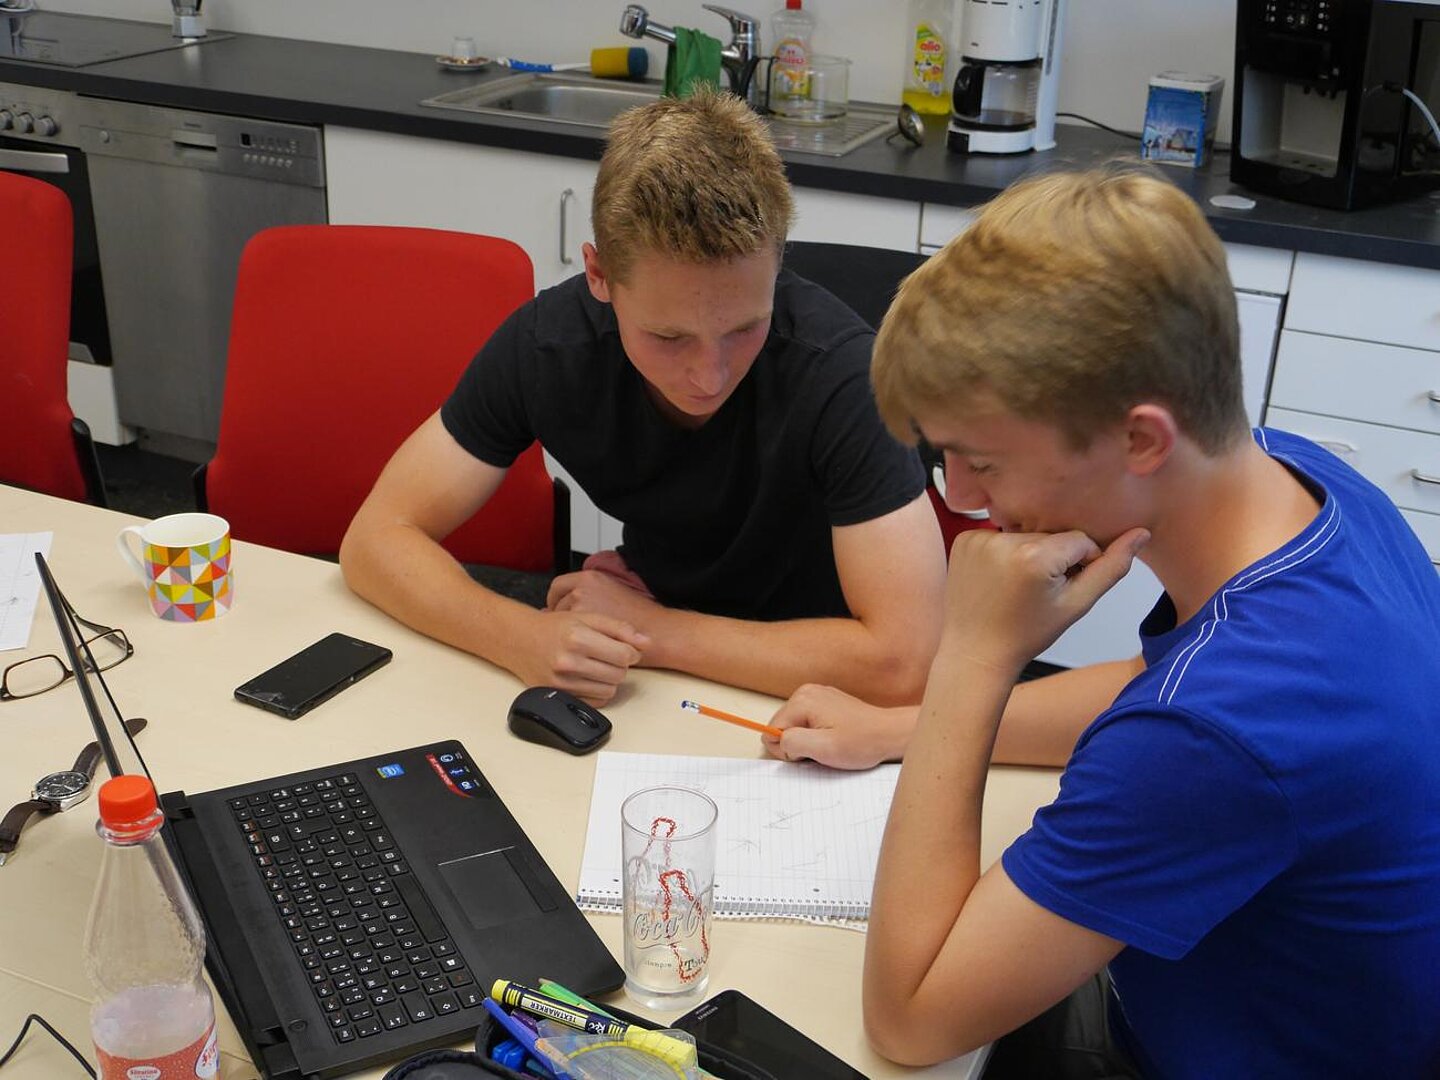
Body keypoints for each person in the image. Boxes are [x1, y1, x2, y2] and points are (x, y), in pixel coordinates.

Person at [765, 167, 1440, 1077]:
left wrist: (973, 656)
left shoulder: (1218, 734)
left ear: (1141, 439)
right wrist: (897, 728)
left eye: (982, 462)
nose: (957, 497)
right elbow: (1157, 690)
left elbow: (910, 1018)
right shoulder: (1302, 482)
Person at [340, 90, 945, 707]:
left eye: (744, 328)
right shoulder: (551, 347)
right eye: (668, 337)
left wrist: (655, 630)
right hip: (644, 666)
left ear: (777, 263)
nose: (709, 377)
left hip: (814, 687)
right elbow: (374, 540)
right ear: (599, 276)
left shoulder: (845, 377)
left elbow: (904, 663)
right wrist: (520, 637)